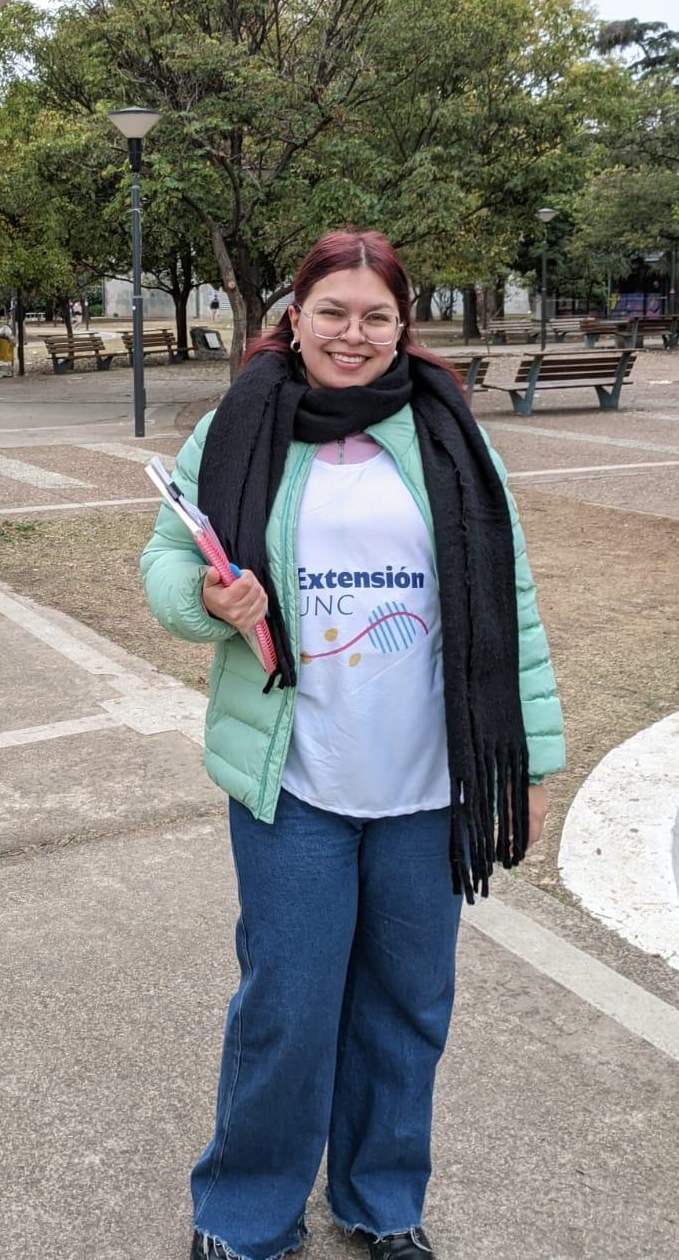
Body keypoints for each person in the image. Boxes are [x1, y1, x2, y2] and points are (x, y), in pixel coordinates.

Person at [141, 228, 565, 1260]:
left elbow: (508, 600)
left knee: (408, 1003)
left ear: (402, 325)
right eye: (332, 310)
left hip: (429, 784)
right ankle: (247, 1214)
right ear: (295, 316)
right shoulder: (239, 427)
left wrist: (530, 764)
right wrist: (206, 598)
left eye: (377, 315)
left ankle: (381, 1201)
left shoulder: (448, 433)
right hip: (296, 781)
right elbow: (165, 559)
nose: (353, 333)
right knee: (287, 1007)